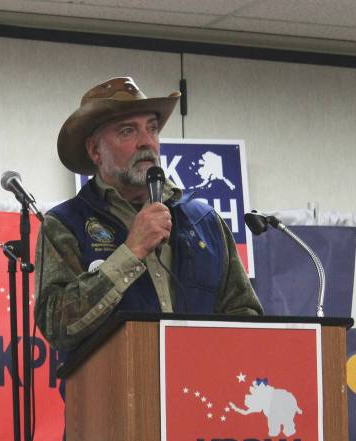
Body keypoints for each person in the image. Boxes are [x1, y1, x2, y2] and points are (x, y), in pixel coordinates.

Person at [34, 76, 262, 351]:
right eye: (128, 131)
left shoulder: (204, 220)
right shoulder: (65, 223)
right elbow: (57, 326)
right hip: (115, 390)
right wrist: (131, 251)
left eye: (152, 129)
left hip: (200, 387)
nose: (146, 142)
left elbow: (245, 315)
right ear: (95, 151)